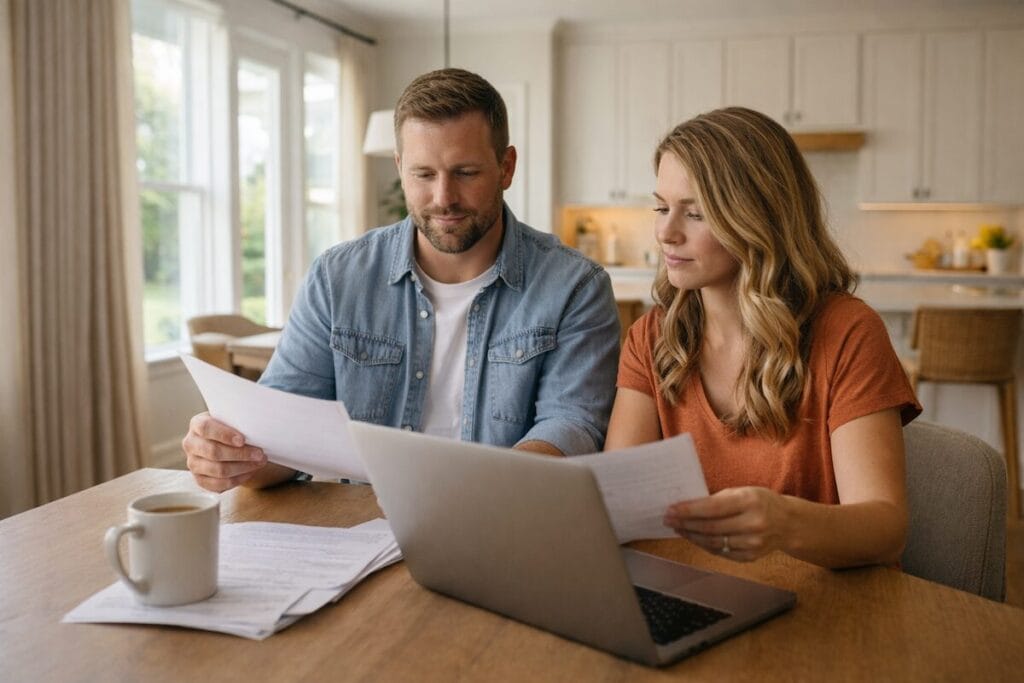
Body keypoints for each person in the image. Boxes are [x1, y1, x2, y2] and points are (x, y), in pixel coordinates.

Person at [184, 68, 620, 492]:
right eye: (423, 174)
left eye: (466, 173)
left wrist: (481, 494)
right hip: (364, 528)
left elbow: (573, 426)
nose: (443, 198)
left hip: (501, 522)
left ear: (506, 167)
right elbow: (281, 437)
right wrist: (232, 457)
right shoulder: (337, 278)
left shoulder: (575, 286)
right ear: (400, 167)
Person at [606, 107, 921, 569]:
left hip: (824, 604)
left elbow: (885, 530)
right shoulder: (651, 337)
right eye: (661, 207)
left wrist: (783, 522)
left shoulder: (848, 333)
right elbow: (620, 504)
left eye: (695, 213)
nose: (665, 232)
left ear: (759, 218)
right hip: (695, 590)